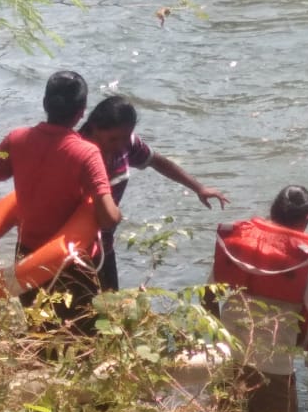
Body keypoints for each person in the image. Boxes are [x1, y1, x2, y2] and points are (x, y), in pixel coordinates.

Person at [0, 71, 120, 331]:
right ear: (81, 113)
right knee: (81, 337)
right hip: (71, 265)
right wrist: (117, 213)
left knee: (41, 332)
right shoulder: (87, 153)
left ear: (45, 103)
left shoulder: (15, 139)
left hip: (27, 256)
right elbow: (107, 217)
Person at [207, 185, 308, 412]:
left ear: (272, 210)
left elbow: (207, 296)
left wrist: (218, 337)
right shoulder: (304, 256)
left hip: (228, 357)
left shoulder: (238, 243)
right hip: (274, 368)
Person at [79, 95, 229, 292]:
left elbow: (156, 161)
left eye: (125, 137)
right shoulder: (78, 151)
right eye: (113, 139)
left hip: (105, 245)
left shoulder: (125, 146)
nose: (119, 145)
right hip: (77, 248)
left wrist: (198, 188)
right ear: (94, 128)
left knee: (109, 308)